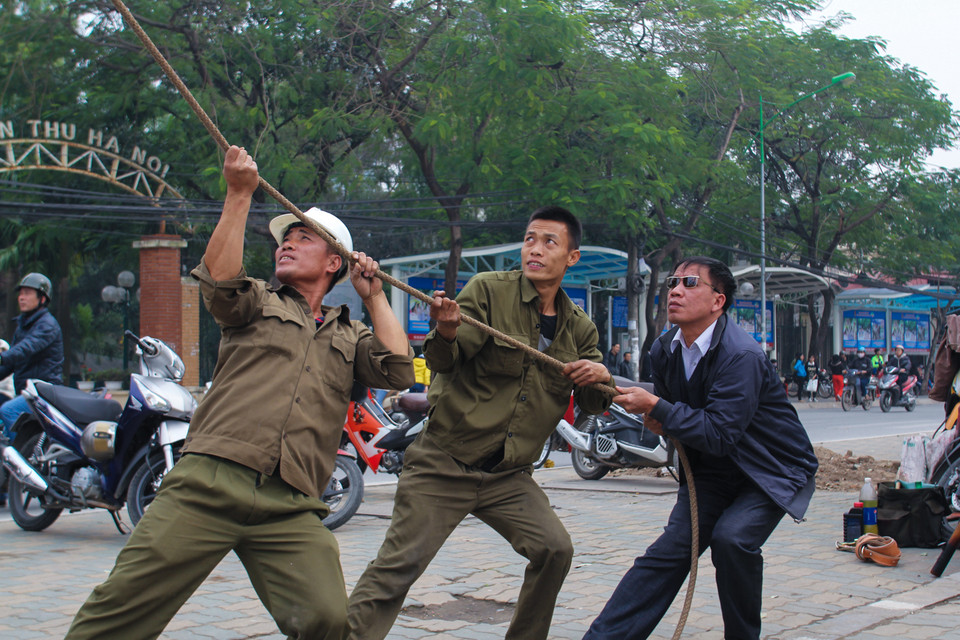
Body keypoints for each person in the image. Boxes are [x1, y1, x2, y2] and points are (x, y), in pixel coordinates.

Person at [65, 146, 414, 640]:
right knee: (118, 611)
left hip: (292, 502)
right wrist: (238, 194)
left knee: (327, 621)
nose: (286, 245)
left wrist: (373, 293)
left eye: (302, 238)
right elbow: (219, 279)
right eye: (283, 240)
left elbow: (398, 370)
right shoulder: (255, 300)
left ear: (335, 260)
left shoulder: (348, 334)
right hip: (209, 481)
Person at [347, 205, 613, 640]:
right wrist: (447, 331)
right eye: (530, 239)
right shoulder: (488, 290)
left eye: (550, 242)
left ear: (572, 257)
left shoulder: (580, 329)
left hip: (507, 476)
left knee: (554, 549)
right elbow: (442, 361)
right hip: (444, 463)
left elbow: (591, 402)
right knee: (397, 569)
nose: (536, 249)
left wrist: (601, 378)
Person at [582, 256, 818, 640]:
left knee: (732, 540)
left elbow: (720, 431)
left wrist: (659, 409)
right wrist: (609, 378)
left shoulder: (741, 356)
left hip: (767, 471)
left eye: (690, 283)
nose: (675, 290)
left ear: (717, 301)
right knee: (668, 554)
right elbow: (668, 403)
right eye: (673, 282)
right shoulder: (664, 350)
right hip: (710, 472)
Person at [0, 272, 64, 441]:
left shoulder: (47, 325)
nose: (21, 298)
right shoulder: (24, 325)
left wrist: (1, 357)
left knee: (8, 411)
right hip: (27, 392)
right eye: (21, 293)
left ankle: (23, 457)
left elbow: (25, 349)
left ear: (42, 299)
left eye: (27, 293)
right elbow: (11, 363)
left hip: (43, 392)